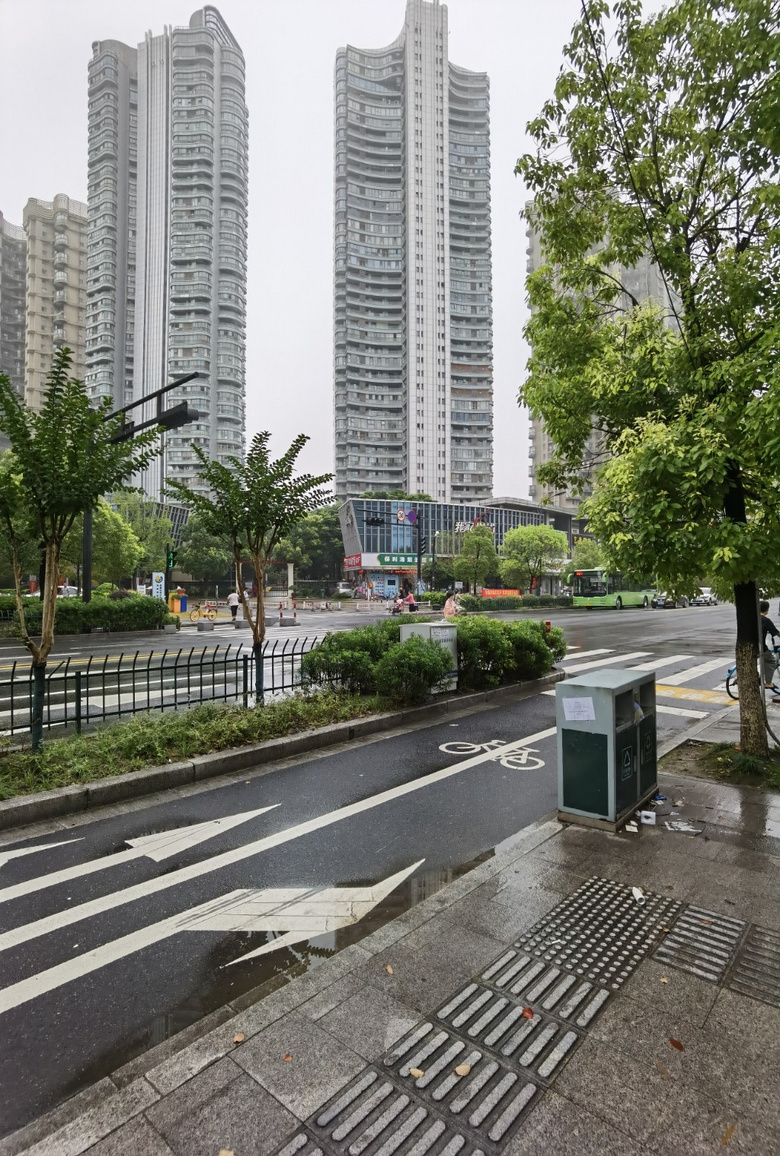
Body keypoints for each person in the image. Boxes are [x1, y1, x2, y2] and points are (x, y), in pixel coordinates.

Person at [759, 601, 780, 694]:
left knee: (763, 660)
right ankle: (768, 683)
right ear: (767, 610)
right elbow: (776, 633)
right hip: (760, 647)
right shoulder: (766, 620)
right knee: (771, 661)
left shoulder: (753, 618)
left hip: (750, 647)